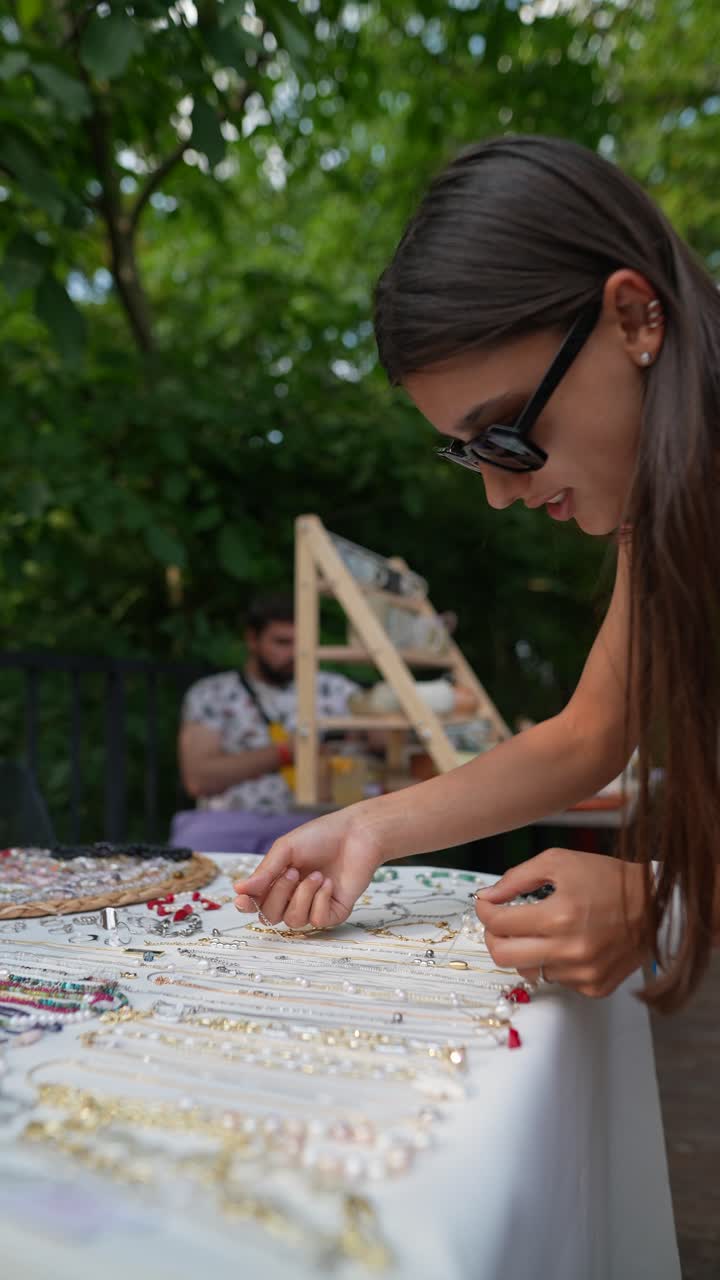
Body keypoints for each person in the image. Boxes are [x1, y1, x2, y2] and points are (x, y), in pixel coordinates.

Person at [234, 134, 720, 1013]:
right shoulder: (665, 518)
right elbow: (589, 735)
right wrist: (367, 828)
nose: (500, 492)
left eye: (506, 434)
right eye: (470, 456)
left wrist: (671, 902)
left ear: (633, 319)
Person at [171, 591, 360, 853]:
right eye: (282, 642)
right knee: (189, 865)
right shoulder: (212, 693)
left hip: (317, 821)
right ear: (252, 639)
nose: (294, 653)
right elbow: (199, 780)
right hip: (227, 824)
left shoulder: (338, 690)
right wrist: (285, 752)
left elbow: (383, 743)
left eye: (302, 643)